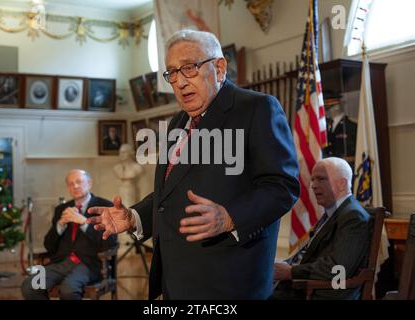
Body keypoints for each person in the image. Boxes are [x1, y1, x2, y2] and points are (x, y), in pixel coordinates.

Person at [87, 29, 299, 299]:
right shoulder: (178, 122)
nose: (179, 81)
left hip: (228, 284)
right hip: (175, 282)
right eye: (172, 73)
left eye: (189, 68)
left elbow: (282, 186)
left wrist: (231, 217)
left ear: (219, 67)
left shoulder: (257, 108)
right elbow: (169, 195)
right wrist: (135, 217)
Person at [272, 157, 371, 300]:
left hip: (320, 293)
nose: (313, 185)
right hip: (301, 288)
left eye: (321, 179)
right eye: (312, 180)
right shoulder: (334, 212)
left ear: (342, 183)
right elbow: (308, 254)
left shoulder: (353, 217)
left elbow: (339, 269)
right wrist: (282, 266)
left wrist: (291, 271)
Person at [21, 169, 117, 300]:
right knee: (30, 286)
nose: (75, 186)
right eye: (71, 184)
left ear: (89, 183)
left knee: (68, 290)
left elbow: (109, 243)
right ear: (68, 188)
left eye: (79, 182)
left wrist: (83, 222)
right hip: (61, 261)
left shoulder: (105, 206)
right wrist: (60, 225)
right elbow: (48, 245)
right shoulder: (61, 209)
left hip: (89, 264)